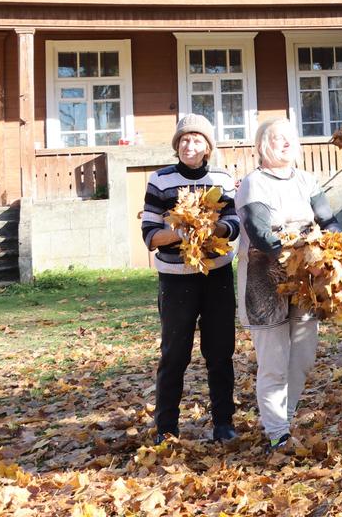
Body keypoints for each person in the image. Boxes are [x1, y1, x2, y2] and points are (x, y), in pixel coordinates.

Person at [235, 117, 342, 449]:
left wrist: (335, 247)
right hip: (265, 281)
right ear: (262, 145)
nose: (285, 143)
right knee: (274, 361)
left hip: (307, 280)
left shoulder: (307, 180)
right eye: (277, 138)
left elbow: (329, 220)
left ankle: (285, 416)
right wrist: (304, 243)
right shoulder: (254, 184)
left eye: (289, 138)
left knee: (303, 356)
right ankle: (277, 432)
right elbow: (263, 235)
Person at [141, 114, 240, 443]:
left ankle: (224, 422)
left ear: (208, 147)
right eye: (184, 140)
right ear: (176, 145)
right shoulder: (160, 180)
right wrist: (176, 233)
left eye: (197, 140)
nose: (189, 145)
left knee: (220, 351)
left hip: (216, 275)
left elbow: (234, 223)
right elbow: (149, 234)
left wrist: (216, 229)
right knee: (174, 353)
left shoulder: (222, 179)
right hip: (176, 279)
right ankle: (166, 426)